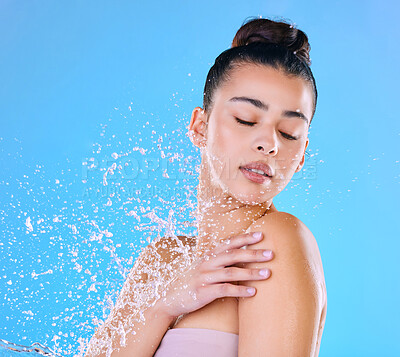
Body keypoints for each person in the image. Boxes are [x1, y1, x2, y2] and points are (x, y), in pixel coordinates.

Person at [85, 16, 327, 357]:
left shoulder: (275, 243)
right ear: (200, 126)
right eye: (246, 119)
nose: (269, 144)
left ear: (301, 156)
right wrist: (161, 307)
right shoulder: (163, 260)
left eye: (289, 133)